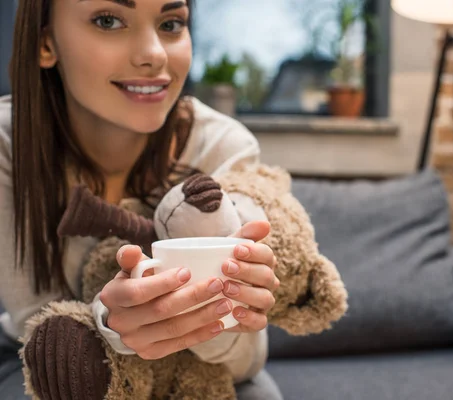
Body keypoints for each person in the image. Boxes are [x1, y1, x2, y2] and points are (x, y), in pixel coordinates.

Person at [0, 0, 283, 399]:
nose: (153, 54)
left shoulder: (223, 146)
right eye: (109, 20)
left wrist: (221, 311)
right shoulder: (8, 145)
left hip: (200, 369)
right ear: (46, 44)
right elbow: (39, 325)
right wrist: (112, 326)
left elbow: (242, 363)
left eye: (171, 23)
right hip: (43, 362)